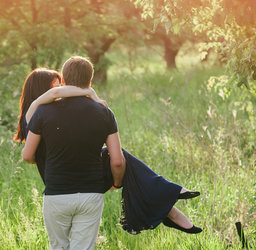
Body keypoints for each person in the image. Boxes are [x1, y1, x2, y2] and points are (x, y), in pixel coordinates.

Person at [15, 67, 202, 236]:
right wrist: (90, 93)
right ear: (42, 91)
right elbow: (29, 155)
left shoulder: (48, 114)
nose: (63, 93)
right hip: (65, 180)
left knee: (118, 156)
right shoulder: (34, 112)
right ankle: (170, 203)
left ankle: (169, 205)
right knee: (119, 158)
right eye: (58, 89)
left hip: (73, 178)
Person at [22, 57, 126, 250]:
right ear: (90, 81)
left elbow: (27, 156)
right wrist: (116, 184)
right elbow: (118, 161)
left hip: (57, 194)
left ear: (64, 80)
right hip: (91, 194)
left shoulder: (44, 112)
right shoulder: (104, 113)